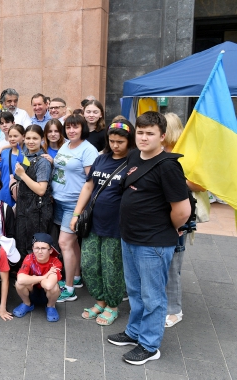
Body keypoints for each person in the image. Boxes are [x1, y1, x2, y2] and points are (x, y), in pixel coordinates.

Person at [107, 111, 190, 365]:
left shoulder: (168, 166)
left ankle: (150, 345)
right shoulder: (134, 156)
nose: (144, 137)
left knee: (153, 296)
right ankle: (134, 332)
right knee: (134, 291)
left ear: (162, 136)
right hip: (129, 238)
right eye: (140, 132)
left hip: (153, 243)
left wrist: (170, 229)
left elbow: (182, 210)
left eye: (150, 133)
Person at [70, 120, 135, 326]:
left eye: (120, 141)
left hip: (116, 226)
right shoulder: (101, 159)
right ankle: (99, 300)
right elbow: (88, 187)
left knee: (112, 268)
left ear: (129, 141)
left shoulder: (133, 163)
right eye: (112, 140)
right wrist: (76, 214)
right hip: (93, 223)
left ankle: (113, 305)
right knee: (89, 264)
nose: (115, 145)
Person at [162, 112, 205, 328]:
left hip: (180, 214)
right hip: (159, 214)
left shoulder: (186, 153)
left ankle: (174, 310)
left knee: (173, 264)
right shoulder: (156, 152)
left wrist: (175, 180)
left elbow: (202, 184)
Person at [52, 115, 98, 302]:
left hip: (74, 203)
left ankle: (69, 288)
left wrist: (78, 212)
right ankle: (76, 277)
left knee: (64, 243)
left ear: (83, 128)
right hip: (60, 201)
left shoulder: (88, 150)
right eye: (68, 127)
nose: (71, 131)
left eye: (75, 127)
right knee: (72, 243)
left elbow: (91, 183)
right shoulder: (66, 145)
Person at [14, 124, 53, 255]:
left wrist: (22, 175)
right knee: (22, 242)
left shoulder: (43, 161)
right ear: (23, 139)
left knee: (36, 246)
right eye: (28, 138)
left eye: (35, 138)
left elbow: (41, 190)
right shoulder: (23, 155)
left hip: (38, 210)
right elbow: (18, 179)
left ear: (42, 139)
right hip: (23, 206)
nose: (31, 141)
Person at [13, 233, 62, 322]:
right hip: (32, 291)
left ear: (50, 250)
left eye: (43, 248)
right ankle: (27, 303)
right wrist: (44, 276)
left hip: (46, 294)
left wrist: (33, 279)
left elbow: (48, 285)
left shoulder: (55, 262)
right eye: (36, 248)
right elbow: (20, 279)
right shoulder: (29, 258)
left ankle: (50, 306)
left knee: (54, 288)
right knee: (18, 284)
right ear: (33, 249)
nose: (39, 252)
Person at [0, 124, 24, 207]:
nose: (12, 139)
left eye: (15, 136)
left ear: (23, 136)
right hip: (5, 191)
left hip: (22, 193)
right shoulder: (4, 153)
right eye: (10, 136)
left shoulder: (27, 154)